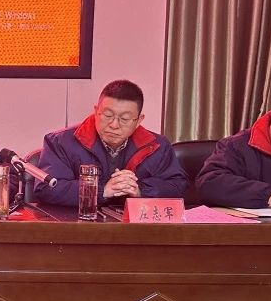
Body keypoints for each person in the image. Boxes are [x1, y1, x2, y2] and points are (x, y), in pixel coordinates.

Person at [34, 79, 187, 206]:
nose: (114, 125)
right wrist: (102, 191)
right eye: (107, 115)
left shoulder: (157, 146)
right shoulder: (60, 142)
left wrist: (140, 190)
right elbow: (46, 188)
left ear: (138, 121)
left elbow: (177, 186)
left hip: (137, 229)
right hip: (77, 226)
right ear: (96, 111)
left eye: (125, 119)